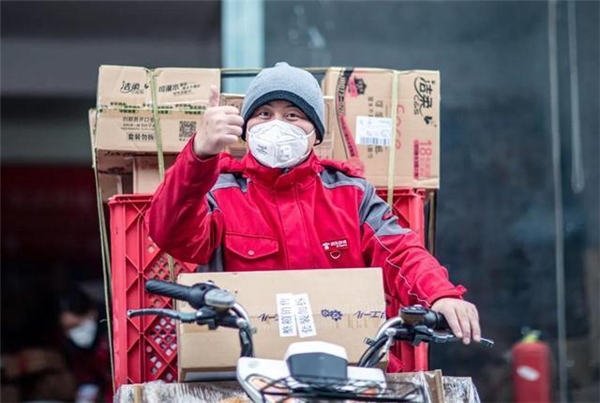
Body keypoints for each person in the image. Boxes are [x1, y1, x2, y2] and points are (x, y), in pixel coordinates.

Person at [148, 62, 481, 371]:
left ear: (316, 133)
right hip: (246, 375)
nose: (277, 124)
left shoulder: (350, 194)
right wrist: (199, 154)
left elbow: (400, 252)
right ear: (246, 128)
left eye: (293, 115)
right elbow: (170, 233)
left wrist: (440, 294)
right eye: (264, 113)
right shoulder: (221, 191)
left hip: (345, 371)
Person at [58, 286, 112, 402]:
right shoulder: (74, 348)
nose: (73, 333)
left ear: (92, 313)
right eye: (67, 329)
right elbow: (87, 380)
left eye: (75, 326)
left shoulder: (113, 333)